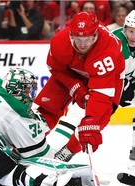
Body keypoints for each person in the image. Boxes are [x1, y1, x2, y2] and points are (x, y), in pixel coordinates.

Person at [33, 11, 125, 161]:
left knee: (97, 121)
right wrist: (74, 86)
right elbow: (55, 69)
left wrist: (90, 119)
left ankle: (67, 152)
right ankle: (27, 144)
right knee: (48, 107)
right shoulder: (59, 41)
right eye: (78, 39)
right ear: (71, 35)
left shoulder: (108, 48)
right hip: (72, 71)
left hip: (109, 76)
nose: (83, 44)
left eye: (88, 39)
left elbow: (101, 94)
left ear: (95, 35)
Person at [112, 10, 135, 178]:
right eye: (131, 31)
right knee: (91, 122)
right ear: (124, 28)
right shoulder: (116, 40)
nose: (133, 35)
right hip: (106, 85)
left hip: (128, 82)